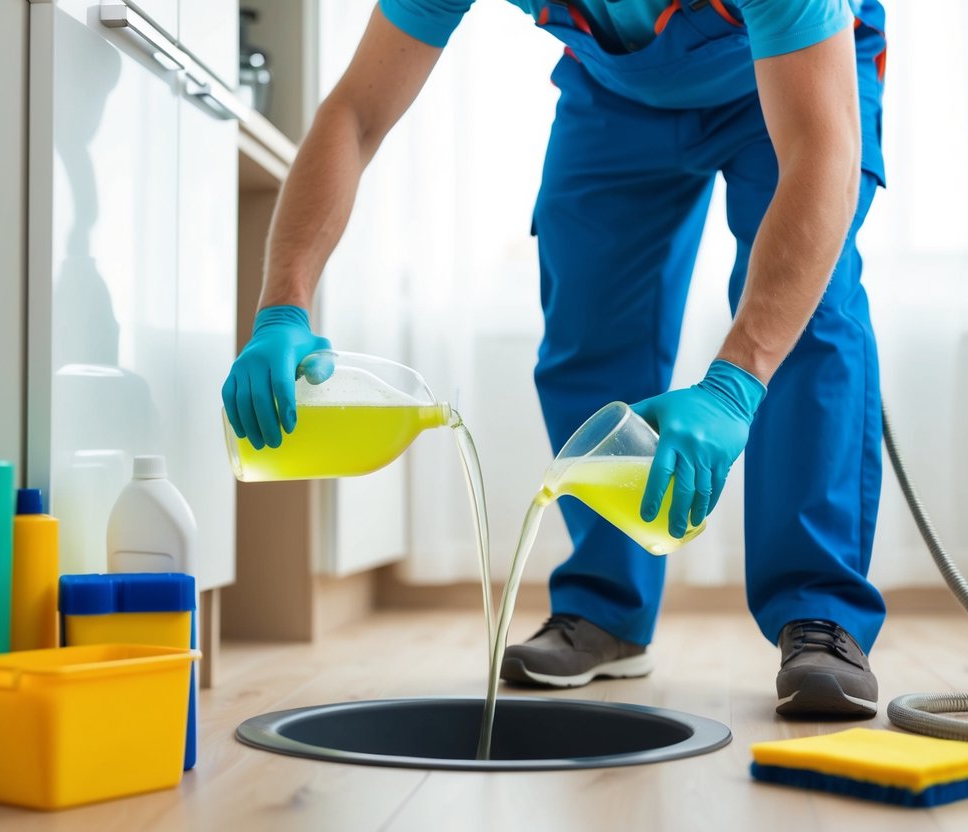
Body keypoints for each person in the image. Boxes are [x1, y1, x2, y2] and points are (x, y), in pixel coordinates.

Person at [223, 0, 888, 718]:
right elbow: (355, 112)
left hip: (797, 80)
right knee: (589, 327)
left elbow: (822, 153)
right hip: (618, 92)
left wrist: (733, 383)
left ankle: (820, 619)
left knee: (807, 323)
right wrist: (281, 307)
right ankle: (606, 611)